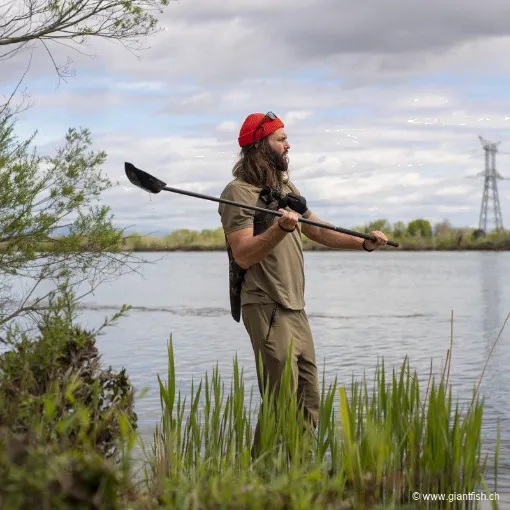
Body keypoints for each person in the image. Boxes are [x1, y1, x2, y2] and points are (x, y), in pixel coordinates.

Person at [217, 111, 388, 457]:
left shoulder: (285, 190)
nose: (288, 144)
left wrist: (363, 243)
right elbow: (244, 255)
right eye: (281, 139)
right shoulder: (238, 192)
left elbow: (317, 229)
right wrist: (280, 229)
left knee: (309, 400)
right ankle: (258, 479)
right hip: (265, 305)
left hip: (296, 308)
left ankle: (301, 475)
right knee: (280, 400)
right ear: (260, 145)